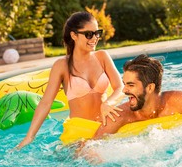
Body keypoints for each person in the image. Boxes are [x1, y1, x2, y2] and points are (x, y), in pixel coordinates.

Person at [16, 11, 124, 149]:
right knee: (94, 157)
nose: (94, 38)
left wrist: (109, 102)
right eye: (89, 34)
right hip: (78, 133)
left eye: (97, 33)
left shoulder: (102, 57)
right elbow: (45, 103)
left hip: (104, 127)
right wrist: (29, 137)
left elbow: (120, 87)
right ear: (74, 35)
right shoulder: (62, 66)